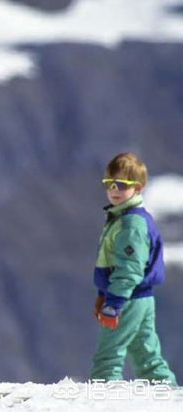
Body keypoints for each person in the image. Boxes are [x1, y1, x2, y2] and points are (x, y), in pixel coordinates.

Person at [91, 152, 176, 384]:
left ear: (137, 188)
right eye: (109, 184)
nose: (114, 190)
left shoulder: (131, 224)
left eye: (121, 184)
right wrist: (103, 295)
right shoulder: (121, 218)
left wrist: (113, 303)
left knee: (108, 357)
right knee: (146, 357)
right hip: (139, 298)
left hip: (128, 299)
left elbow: (129, 270)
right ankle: (171, 398)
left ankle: (103, 400)